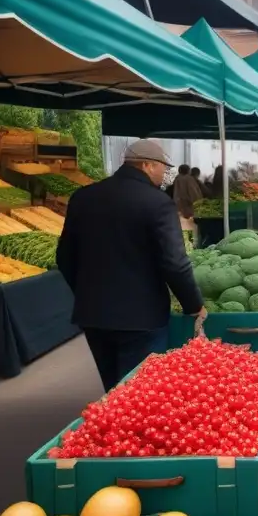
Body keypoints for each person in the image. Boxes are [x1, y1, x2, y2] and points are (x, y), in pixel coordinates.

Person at [57, 140, 205, 392]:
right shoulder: (157, 202)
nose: (164, 174)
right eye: (162, 167)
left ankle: (113, 427)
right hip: (142, 317)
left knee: (113, 389)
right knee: (140, 392)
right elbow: (174, 263)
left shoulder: (83, 197)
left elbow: (64, 256)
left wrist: (86, 292)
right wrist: (194, 305)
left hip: (94, 315)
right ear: (147, 165)